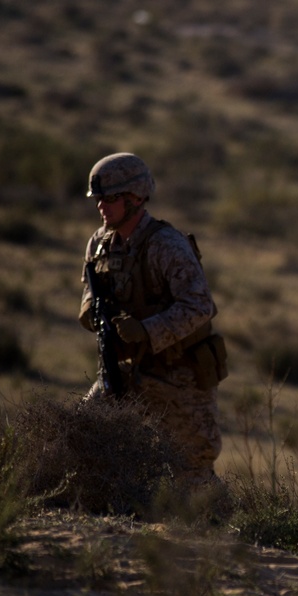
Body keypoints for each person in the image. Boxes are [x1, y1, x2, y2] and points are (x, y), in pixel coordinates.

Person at [78, 152, 227, 493]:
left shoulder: (166, 244)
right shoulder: (99, 246)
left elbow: (200, 305)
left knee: (194, 468)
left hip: (178, 374)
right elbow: (89, 295)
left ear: (135, 198)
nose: (102, 207)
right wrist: (92, 313)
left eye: (111, 199)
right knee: (84, 436)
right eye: (99, 199)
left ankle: (226, 537)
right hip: (124, 370)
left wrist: (147, 330)